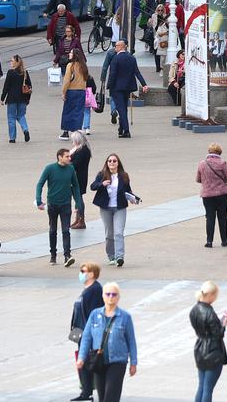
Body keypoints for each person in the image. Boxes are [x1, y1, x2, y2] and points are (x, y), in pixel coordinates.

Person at [77, 282, 138, 402]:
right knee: (102, 396)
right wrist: (81, 357)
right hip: (99, 361)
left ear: (118, 297)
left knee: (111, 396)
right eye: (108, 294)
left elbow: (131, 341)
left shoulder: (125, 317)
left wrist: (133, 363)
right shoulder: (95, 314)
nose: (111, 297)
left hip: (117, 361)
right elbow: (87, 338)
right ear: (103, 296)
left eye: (114, 294)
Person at [36, 147, 83, 267]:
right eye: (67, 156)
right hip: (52, 204)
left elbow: (76, 186)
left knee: (66, 230)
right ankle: (53, 255)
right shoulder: (50, 168)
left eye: (69, 156)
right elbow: (40, 184)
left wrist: (78, 203)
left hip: (66, 204)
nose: (69, 158)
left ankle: (67, 255)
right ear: (59, 157)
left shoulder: (71, 168)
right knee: (53, 230)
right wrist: (38, 200)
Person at [91, 153, 138, 267]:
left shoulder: (123, 176)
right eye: (109, 161)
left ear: (118, 163)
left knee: (118, 233)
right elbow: (92, 186)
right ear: (107, 163)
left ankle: (119, 256)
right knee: (109, 234)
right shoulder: (102, 175)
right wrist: (102, 184)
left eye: (114, 161)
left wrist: (133, 198)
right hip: (106, 208)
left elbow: (128, 190)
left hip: (119, 207)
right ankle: (111, 256)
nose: (112, 163)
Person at [190, 281, 227, 402]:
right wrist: (223, 324)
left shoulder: (194, 310)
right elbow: (218, 334)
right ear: (211, 295)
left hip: (200, 349)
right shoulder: (210, 312)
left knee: (202, 387)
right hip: (213, 352)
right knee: (208, 389)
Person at [71, 262, 104, 401]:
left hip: (88, 332)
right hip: (81, 331)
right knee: (83, 361)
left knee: (86, 361)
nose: (81, 273)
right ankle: (86, 391)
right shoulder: (88, 289)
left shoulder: (95, 289)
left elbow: (94, 313)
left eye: (83, 271)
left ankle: (87, 392)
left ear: (91, 274)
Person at [196, 143, 227, 248]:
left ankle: (209, 241)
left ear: (209, 151)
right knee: (222, 217)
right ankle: (224, 241)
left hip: (207, 195)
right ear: (219, 152)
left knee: (210, 217)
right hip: (222, 194)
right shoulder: (222, 163)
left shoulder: (202, 164)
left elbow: (198, 179)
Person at [1, 54, 33, 143]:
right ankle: (25, 129)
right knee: (21, 115)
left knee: (11, 117)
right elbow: (29, 86)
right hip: (23, 98)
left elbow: (6, 86)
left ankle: (12, 138)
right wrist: (28, 98)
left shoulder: (10, 72)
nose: (10, 62)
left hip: (12, 99)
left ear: (16, 62)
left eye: (12, 61)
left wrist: (2, 98)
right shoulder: (25, 73)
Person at [61, 54, 93, 140]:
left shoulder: (70, 65)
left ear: (75, 55)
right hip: (81, 91)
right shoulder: (83, 66)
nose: (69, 54)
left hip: (71, 90)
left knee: (68, 111)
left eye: (71, 53)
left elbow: (67, 80)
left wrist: (64, 92)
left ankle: (66, 132)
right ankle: (77, 132)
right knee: (79, 112)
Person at [70, 130, 92, 230]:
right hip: (77, 176)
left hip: (79, 177)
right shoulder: (78, 149)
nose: (72, 142)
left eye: (73, 140)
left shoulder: (83, 150)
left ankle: (81, 220)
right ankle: (77, 219)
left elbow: (76, 164)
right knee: (76, 198)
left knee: (78, 199)